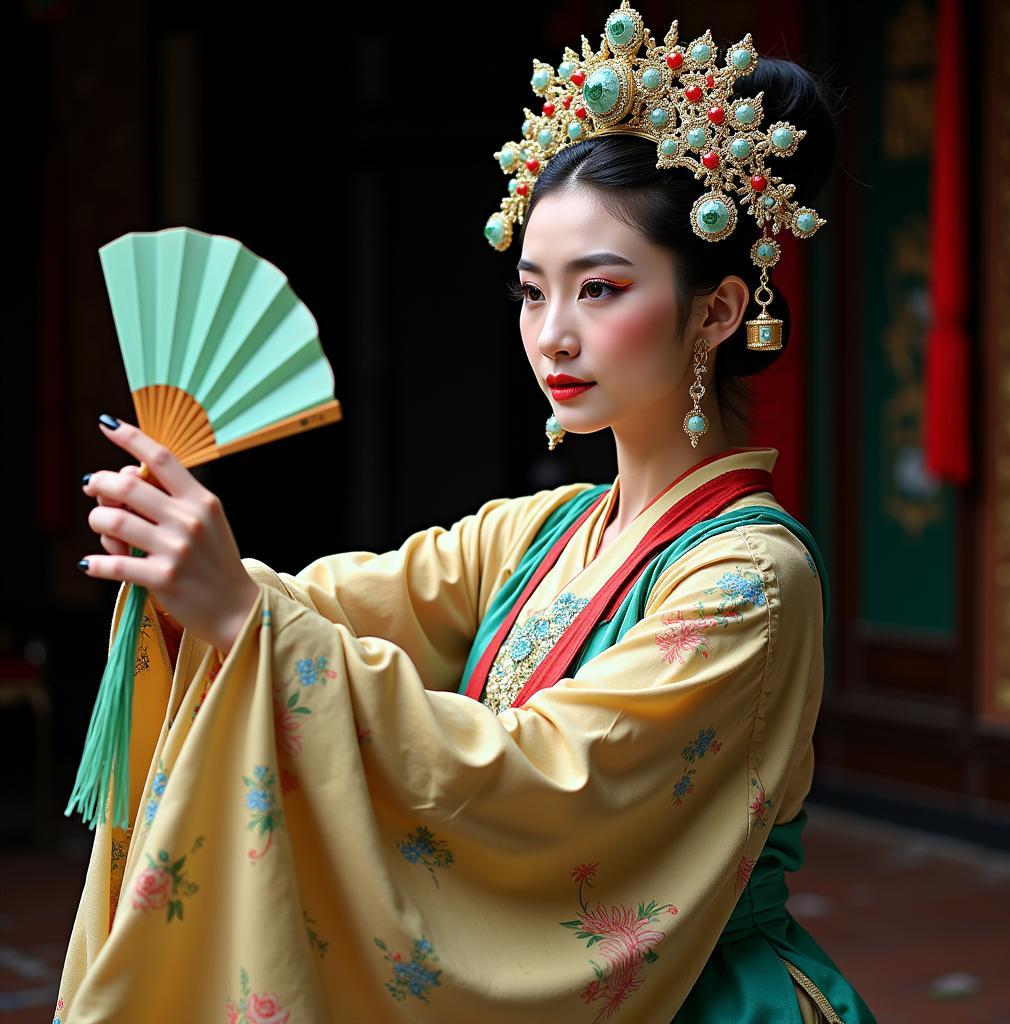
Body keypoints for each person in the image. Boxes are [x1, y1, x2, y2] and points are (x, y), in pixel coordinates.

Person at [54, 5, 877, 1022]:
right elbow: (333, 606)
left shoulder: (750, 579)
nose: (555, 336)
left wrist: (246, 617)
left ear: (713, 309)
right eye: (534, 294)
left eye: (601, 289)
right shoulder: (540, 531)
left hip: (708, 991)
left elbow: (552, 781)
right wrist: (197, 585)